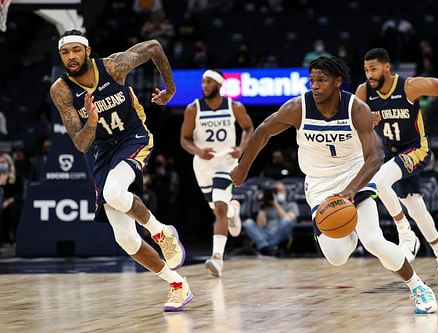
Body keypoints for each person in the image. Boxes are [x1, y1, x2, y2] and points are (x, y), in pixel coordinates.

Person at [231, 56, 437, 314]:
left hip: (355, 178)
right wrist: (242, 167)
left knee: (374, 241)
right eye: (312, 81)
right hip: (320, 187)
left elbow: (376, 157)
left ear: (338, 82)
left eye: (322, 81)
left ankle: (418, 286)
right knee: (337, 257)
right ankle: (347, 231)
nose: (315, 86)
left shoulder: (356, 109)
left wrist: (351, 191)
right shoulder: (298, 108)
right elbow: (262, 131)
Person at [49, 30, 192, 311]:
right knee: (125, 239)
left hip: (133, 138)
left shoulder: (113, 66)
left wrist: (171, 88)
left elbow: (153, 46)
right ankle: (177, 284)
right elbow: (81, 144)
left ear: (88, 51)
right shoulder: (61, 90)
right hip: (103, 151)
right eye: (65, 53)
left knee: (114, 192)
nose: (71, 57)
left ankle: (161, 232)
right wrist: (90, 122)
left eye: (76, 50)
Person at [355, 48, 438, 290]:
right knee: (416, 207)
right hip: (392, 153)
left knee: (379, 181)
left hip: (417, 149)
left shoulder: (409, 87)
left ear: (387, 67)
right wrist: (366, 122)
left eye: (373, 69)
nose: (369, 74)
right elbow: (355, 124)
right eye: (366, 70)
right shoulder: (364, 92)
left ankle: (405, 233)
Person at [180, 69, 254, 277]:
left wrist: (241, 148)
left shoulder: (234, 107)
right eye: (203, 82)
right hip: (203, 165)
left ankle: (217, 258)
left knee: (219, 209)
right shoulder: (192, 109)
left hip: (227, 163)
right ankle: (234, 211)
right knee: (219, 210)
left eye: (209, 82)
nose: (205, 86)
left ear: (220, 85)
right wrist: (198, 151)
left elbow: (249, 128)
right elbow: (184, 139)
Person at [243, 181, 299, 256]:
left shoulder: (291, 204)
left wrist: (276, 204)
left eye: (280, 191)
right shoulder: (265, 206)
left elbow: (290, 219)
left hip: (281, 233)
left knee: (287, 221)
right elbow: (261, 225)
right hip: (266, 233)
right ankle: (268, 247)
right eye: (276, 191)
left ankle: (265, 247)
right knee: (248, 223)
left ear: (285, 192)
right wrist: (262, 207)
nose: (277, 193)